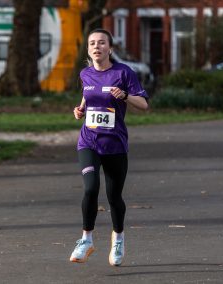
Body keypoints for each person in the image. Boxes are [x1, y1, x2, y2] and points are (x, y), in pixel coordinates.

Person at [69, 28, 149, 266]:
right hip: (89, 141)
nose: (96, 46)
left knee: (114, 197)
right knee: (90, 188)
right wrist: (80, 109)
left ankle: (118, 239)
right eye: (92, 43)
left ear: (110, 48)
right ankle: (86, 239)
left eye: (101, 42)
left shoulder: (124, 73)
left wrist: (124, 96)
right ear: (89, 49)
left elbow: (144, 105)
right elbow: (87, 97)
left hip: (114, 145)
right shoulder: (85, 74)